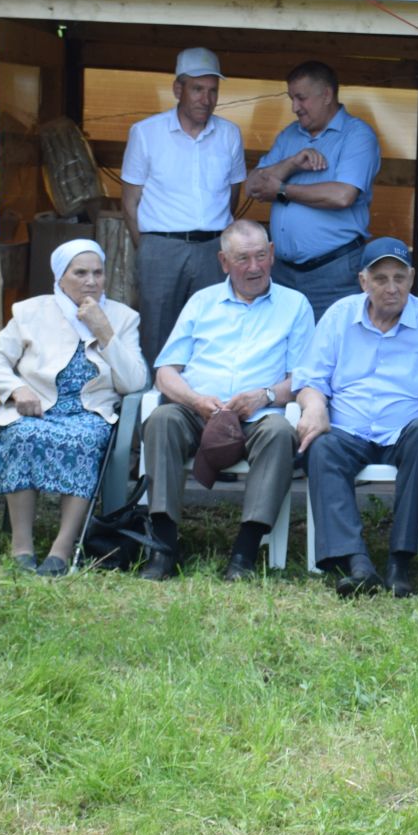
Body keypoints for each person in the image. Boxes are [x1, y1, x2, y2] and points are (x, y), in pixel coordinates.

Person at [140, 220, 313, 582]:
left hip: (258, 414)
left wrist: (264, 395)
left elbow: (302, 377)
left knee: (280, 431)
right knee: (162, 420)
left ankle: (245, 552)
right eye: (242, 259)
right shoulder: (201, 302)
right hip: (198, 408)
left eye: (261, 256)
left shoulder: (295, 305)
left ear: (273, 255)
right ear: (223, 262)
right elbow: (165, 372)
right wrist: (195, 399)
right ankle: (163, 545)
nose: (254, 267)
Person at [294, 237, 418, 599]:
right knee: (320, 447)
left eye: (400, 278)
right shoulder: (341, 315)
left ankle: (399, 562)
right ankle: (356, 563)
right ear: (363, 282)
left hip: (406, 430)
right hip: (348, 428)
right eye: (381, 279)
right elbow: (309, 379)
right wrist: (314, 405)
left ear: (412, 278)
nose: (392, 288)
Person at [0, 239, 148, 576]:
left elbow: (134, 382)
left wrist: (104, 332)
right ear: (60, 276)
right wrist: (16, 388)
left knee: (85, 440)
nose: (91, 281)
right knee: (22, 436)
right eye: (80, 273)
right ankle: (21, 547)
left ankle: (61, 550)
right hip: (35, 409)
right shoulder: (31, 311)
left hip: (89, 413)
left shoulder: (123, 317)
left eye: (98, 273)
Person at [120, 47, 249, 364]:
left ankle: (206, 408)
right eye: (197, 89)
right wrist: (150, 246)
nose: (206, 99)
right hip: (161, 247)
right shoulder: (146, 133)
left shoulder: (230, 134)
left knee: (213, 332)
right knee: (157, 334)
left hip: (212, 248)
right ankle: (154, 407)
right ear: (178, 89)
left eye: (212, 91)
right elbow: (129, 201)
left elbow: (234, 194)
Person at [244, 61, 381, 321]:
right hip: (283, 273)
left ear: (326, 95)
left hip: (333, 273)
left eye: (301, 98)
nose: (295, 107)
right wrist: (292, 162)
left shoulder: (357, 135)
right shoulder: (289, 136)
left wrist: (283, 190)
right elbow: (252, 186)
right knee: (280, 351)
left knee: (330, 354)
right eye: (291, 98)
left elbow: (343, 195)